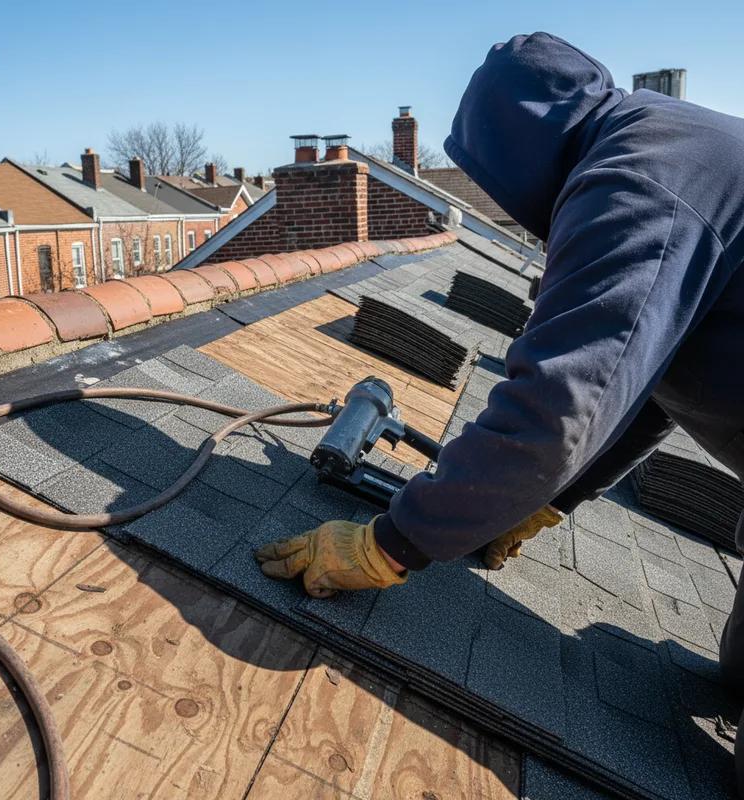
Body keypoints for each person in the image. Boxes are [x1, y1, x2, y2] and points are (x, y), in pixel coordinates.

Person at [254, 32, 744, 790]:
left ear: (519, 156)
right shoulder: (659, 143)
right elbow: (651, 383)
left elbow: (558, 407)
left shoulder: (639, 183)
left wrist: (392, 543)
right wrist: (554, 498)